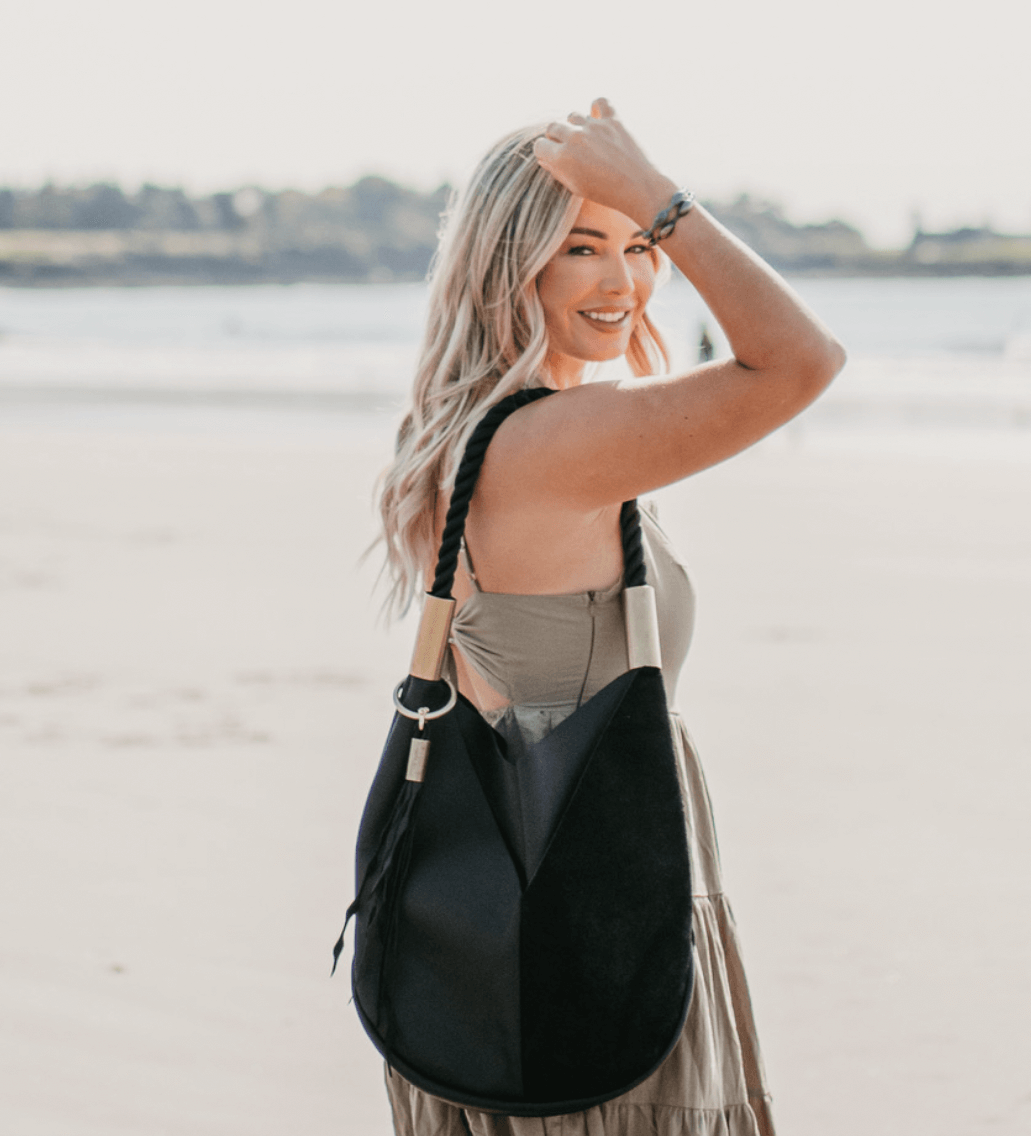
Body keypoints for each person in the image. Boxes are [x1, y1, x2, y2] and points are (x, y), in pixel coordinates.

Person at [372, 98, 845, 1136]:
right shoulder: (553, 442)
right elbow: (801, 359)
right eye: (582, 247)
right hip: (587, 882)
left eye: (638, 247)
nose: (624, 280)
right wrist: (659, 197)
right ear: (511, 264)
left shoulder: (469, 431)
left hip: (522, 891)